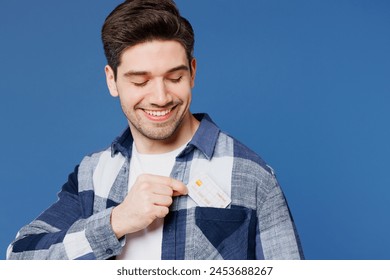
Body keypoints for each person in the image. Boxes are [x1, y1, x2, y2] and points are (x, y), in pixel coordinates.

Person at [7, 0, 304, 260]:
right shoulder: (93, 174)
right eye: (140, 81)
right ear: (112, 80)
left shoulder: (251, 175)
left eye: (174, 77)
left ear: (193, 72)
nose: (160, 97)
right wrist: (115, 222)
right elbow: (20, 260)